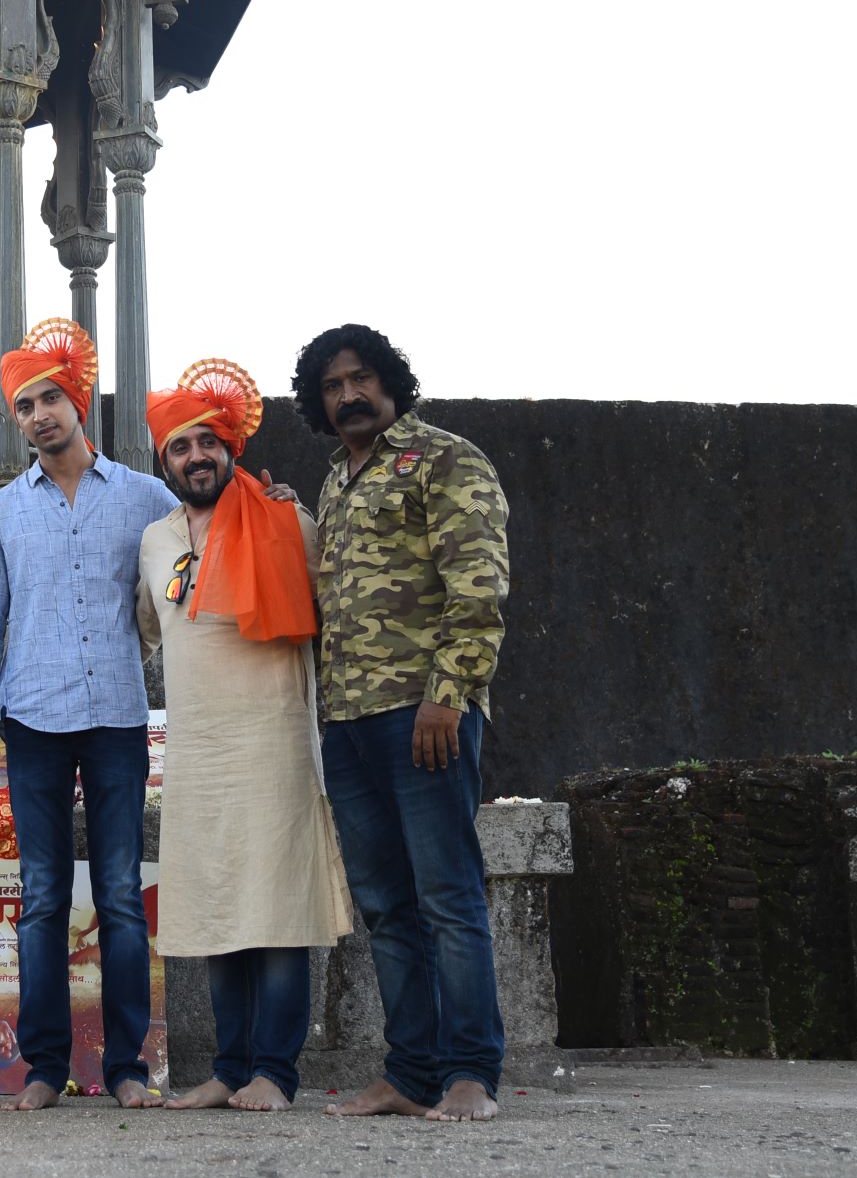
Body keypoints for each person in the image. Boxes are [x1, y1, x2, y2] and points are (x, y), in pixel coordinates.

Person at [0, 318, 175, 1111]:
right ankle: (43, 1067)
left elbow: (201, 564)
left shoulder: (148, 499)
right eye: (24, 405)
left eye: (50, 397)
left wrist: (269, 503)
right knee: (41, 896)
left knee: (118, 893)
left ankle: (126, 1068)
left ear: (77, 402)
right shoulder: (2, 513)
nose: (39, 414)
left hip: (115, 718)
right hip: (34, 721)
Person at [294, 323, 511, 1123]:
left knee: (448, 898)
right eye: (330, 386)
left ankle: (469, 1074)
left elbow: (478, 587)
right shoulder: (335, 480)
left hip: (421, 716)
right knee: (385, 908)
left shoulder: (446, 459)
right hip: (346, 720)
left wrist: (448, 695)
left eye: (359, 379)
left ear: (389, 381)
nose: (347, 395)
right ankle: (409, 1072)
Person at [133, 360, 351, 1112]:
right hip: (197, 753)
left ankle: (274, 1075)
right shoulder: (156, 541)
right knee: (218, 910)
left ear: (230, 449)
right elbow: (137, 636)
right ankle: (228, 1069)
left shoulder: (286, 520)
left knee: (277, 909)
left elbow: (340, 622)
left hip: (275, 746)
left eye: (207, 444)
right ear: (163, 463)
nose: (196, 457)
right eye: (179, 448)